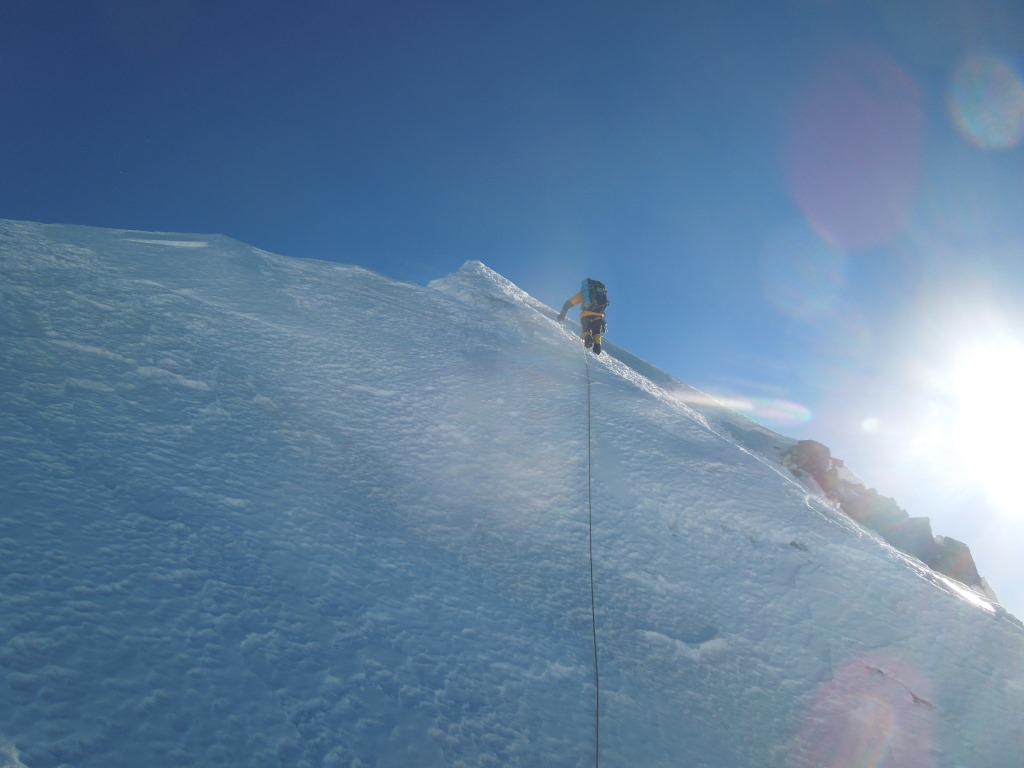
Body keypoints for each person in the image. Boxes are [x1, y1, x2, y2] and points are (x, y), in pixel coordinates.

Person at [556, 278, 609, 354]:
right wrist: (603, 323)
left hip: (586, 315)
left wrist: (563, 313)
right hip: (599, 316)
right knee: (596, 331)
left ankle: (587, 338)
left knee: (586, 329)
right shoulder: (602, 296)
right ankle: (597, 345)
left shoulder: (585, 294)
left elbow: (569, 303)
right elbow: (603, 310)